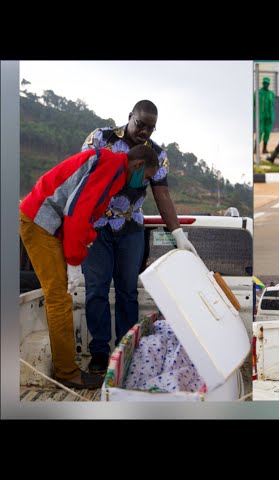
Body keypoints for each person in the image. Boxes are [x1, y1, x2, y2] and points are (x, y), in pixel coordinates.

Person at [19, 145, 159, 389]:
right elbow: (76, 211)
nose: (144, 183)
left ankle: (67, 368)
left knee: (60, 296)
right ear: (137, 165)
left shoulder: (114, 170)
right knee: (59, 299)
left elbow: (88, 216)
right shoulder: (111, 167)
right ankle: (67, 372)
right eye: (146, 177)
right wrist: (74, 261)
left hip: (50, 225)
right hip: (39, 220)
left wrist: (85, 240)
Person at [81, 100, 197, 375]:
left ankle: (126, 352)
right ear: (129, 116)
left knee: (127, 292)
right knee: (96, 290)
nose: (144, 131)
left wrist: (178, 232)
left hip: (130, 227)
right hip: (96, 226)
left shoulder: (158, 155)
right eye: (140, 124)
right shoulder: (101, 138)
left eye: (151, 128)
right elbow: (82, 176)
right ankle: (99, 353)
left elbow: (162, 194)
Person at [258, 77, 275, 154]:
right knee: (260, 131)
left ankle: (264, 148)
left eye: (267, 83)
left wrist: (272, 116)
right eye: (264, 83)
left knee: (267, 132)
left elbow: (272, 105)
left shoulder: (271, 94)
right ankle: (256, 147)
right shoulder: (258, 93)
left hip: (269, 116)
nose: (265, 84)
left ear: (269, 84)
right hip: (261, 116)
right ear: (262, 83)